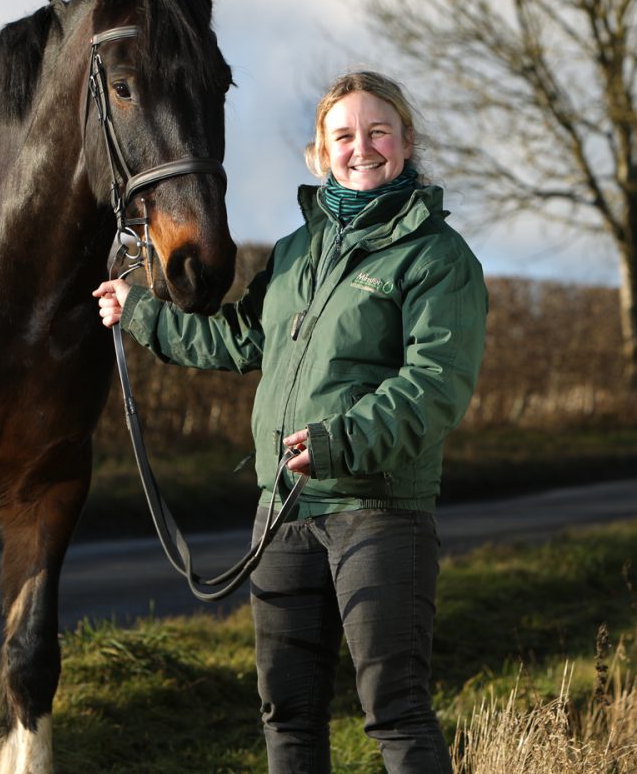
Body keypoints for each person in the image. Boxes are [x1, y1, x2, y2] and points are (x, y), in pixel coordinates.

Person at [93, 70, 488, 773]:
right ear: (319, 153)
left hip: (378, 512)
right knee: (289, 716)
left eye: (377, 132)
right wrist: (140, 311)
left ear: (405, 142)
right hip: (283, 514)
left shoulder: (436, 257)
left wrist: (340, 442)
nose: (360, 148)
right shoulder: (296, 252)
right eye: (343, 136)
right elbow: (241, 341)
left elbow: (435, 387)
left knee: (394, 711)